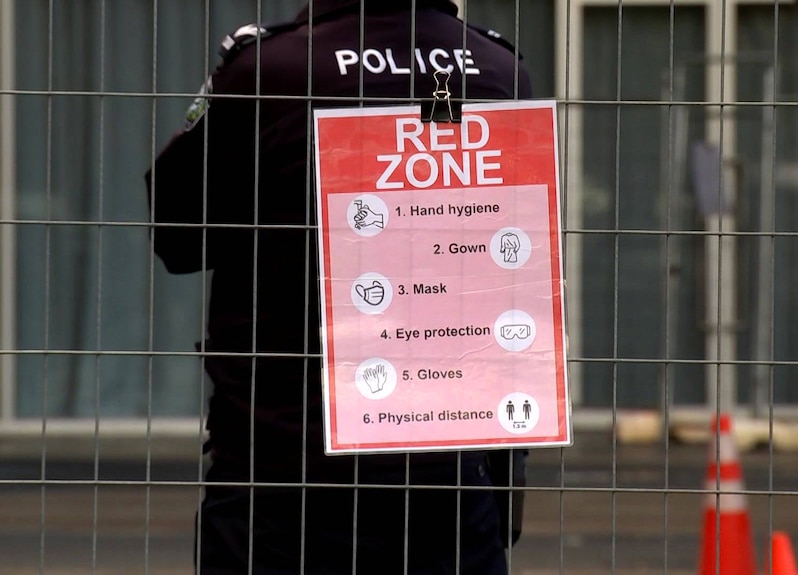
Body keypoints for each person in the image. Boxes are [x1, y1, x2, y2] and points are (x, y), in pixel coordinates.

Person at [145, 1, 531, 573]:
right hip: (447, 452)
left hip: (282, 459)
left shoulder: (269, 68)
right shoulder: (496, 69)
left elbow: (178, 235)